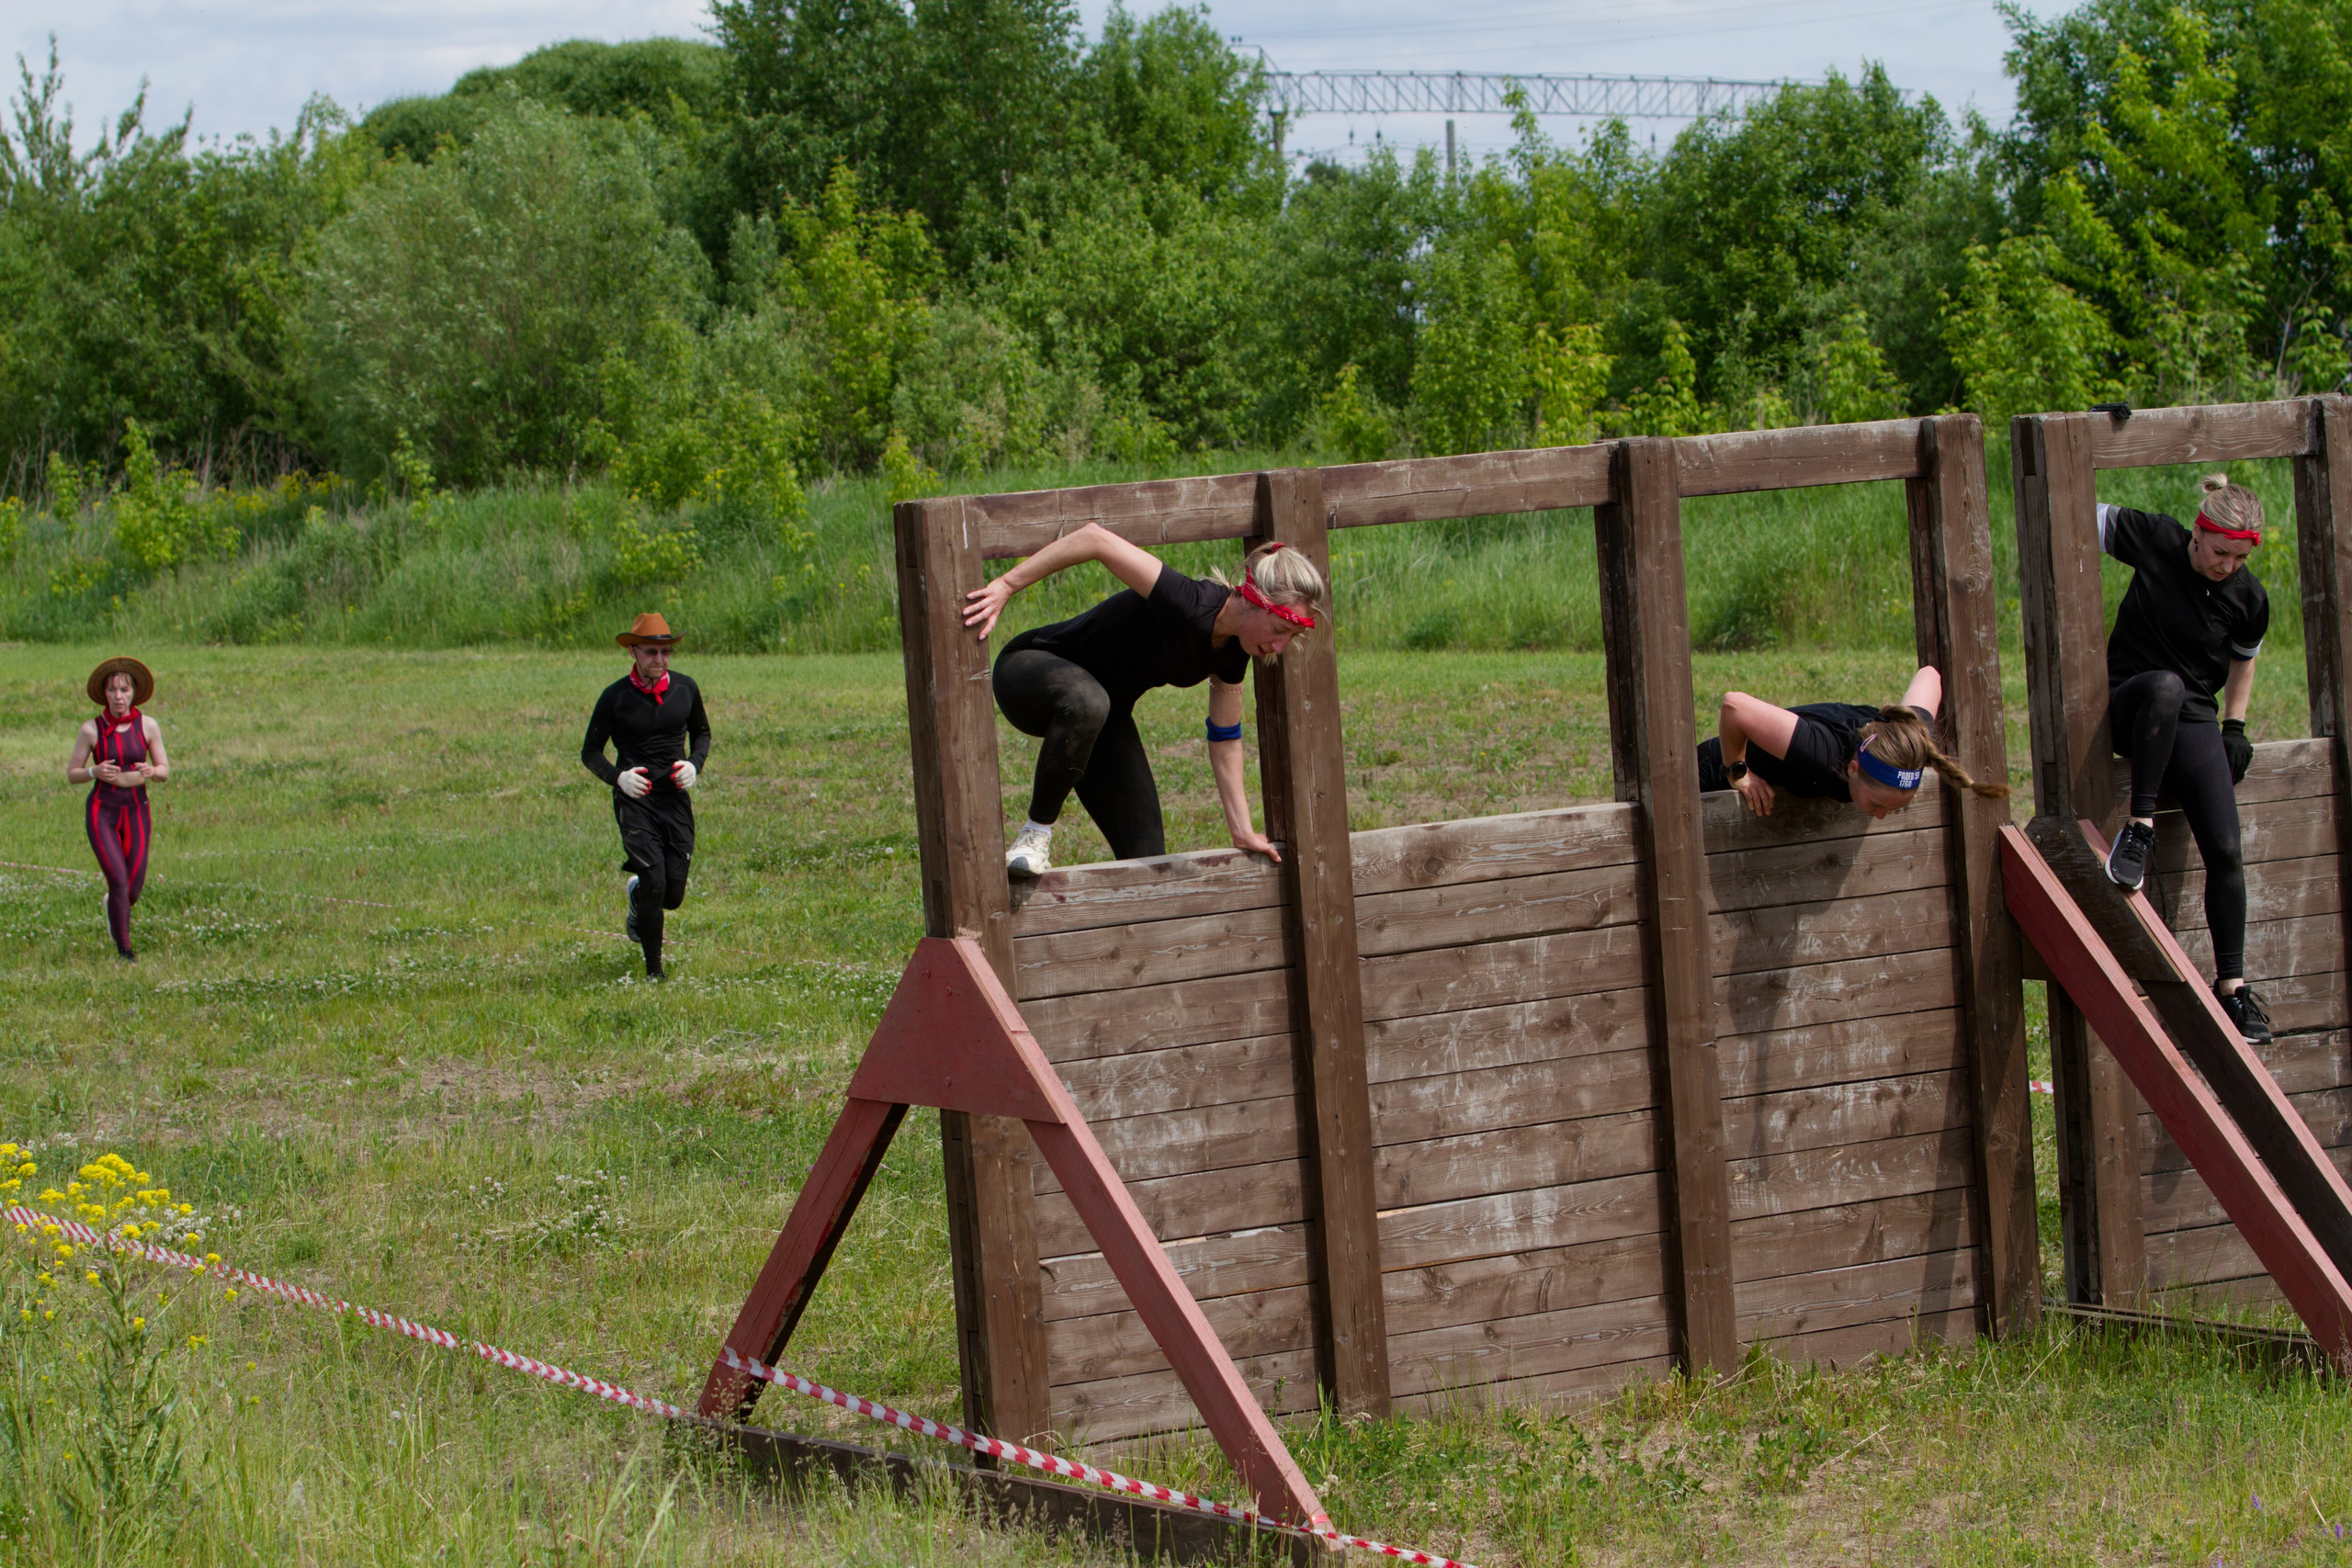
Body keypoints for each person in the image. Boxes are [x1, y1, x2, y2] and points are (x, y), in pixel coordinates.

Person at [961, 524, 1327, 876]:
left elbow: (1226, 737)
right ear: (1253, 599)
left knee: (1148, 860)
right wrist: (1007, 584)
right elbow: (1095, 539)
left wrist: (1242, 829)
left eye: (1290, 638)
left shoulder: (1234, 653)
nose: (1278, 648)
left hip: (1104, 716)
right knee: (1090, 700)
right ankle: (1034, 835)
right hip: (1029, 671)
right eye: (1279, 630)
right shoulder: (1186, 600)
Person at [2096, 475, 2272, 1043]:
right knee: (2166, 687)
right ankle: (2139, 830)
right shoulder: (2155, 539)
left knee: (2225, 847)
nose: (2227, 566)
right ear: (2197, 531)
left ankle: (2234, 991)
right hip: (2132, 697)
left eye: (2239, 558)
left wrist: (2236, 725)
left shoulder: (2248, 597)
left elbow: (2244, 659)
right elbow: (2071, 506)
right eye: (2220, 552)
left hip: (2193, 709)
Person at [1698, 664, 2008, 822]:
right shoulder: (1821, 752)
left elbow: (1930, 674)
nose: (1882, 816)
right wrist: (1738, 772)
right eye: (1878, 804)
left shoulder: (1905, 739)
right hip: (1708, 775)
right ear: (1853, 768)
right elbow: (1734, 707)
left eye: (1894, 810)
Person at [581, 613, 710, 979]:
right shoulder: (615, 697)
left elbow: (703, 734)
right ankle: (654, 973)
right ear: (633, 652)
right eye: (651, 651)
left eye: (666, 652)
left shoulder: (686, 688)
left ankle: (637, 895)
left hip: (675, 800)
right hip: (636, 801)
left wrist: (694, 765)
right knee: (656, 881)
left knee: (672, 896)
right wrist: (618, 778)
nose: (660, 659)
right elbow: (590, 751)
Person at [65, 656, 170, 960]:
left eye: (124, 689)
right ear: (105, 694)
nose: (119, 696)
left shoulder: (148, 725)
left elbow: (165, 769)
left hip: (137, 808)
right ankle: (125, 950)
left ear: (134, 692)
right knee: (119, 880)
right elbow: (72, 773)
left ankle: (114, 904)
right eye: (113, 690)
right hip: (103, 809)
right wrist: (92, 772)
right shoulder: (91, 730)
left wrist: (153, 771)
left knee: (132, 889)